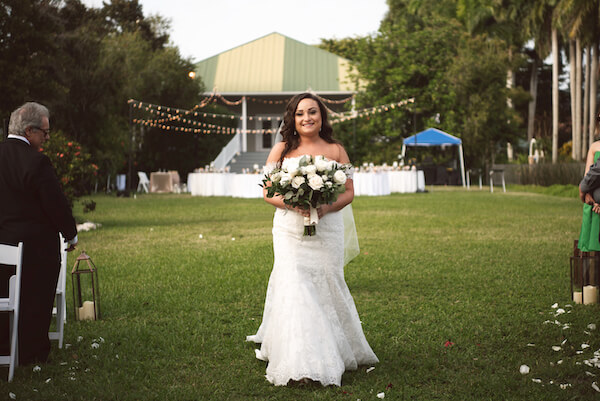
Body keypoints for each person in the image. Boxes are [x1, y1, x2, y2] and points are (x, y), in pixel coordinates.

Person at [246, 93, 378, 386]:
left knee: (326, 285)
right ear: (292, 118)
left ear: (322, 117)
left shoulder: (336, 150)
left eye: (313, 112)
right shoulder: (281, 150)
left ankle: (332, 349)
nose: (307, 118)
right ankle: (299, 362)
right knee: (294, 284)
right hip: (289, 231)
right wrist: (294, 204)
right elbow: (268, 192)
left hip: (327, 229)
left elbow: (348, 192)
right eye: (301, 113)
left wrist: (323, 207)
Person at [0, 102, 78, 365]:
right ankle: (31, 351)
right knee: (39, 290)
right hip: (34, 250)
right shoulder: (37, 162)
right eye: (45, 132)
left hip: (1, 248)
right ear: (29, 131)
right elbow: (55, 204)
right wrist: (71, 234)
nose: (47, 137)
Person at [578, 114, 600, 252]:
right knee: (592, 254)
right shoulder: (594, 147)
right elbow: (588, 176)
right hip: (593, 207)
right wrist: (589, 196)